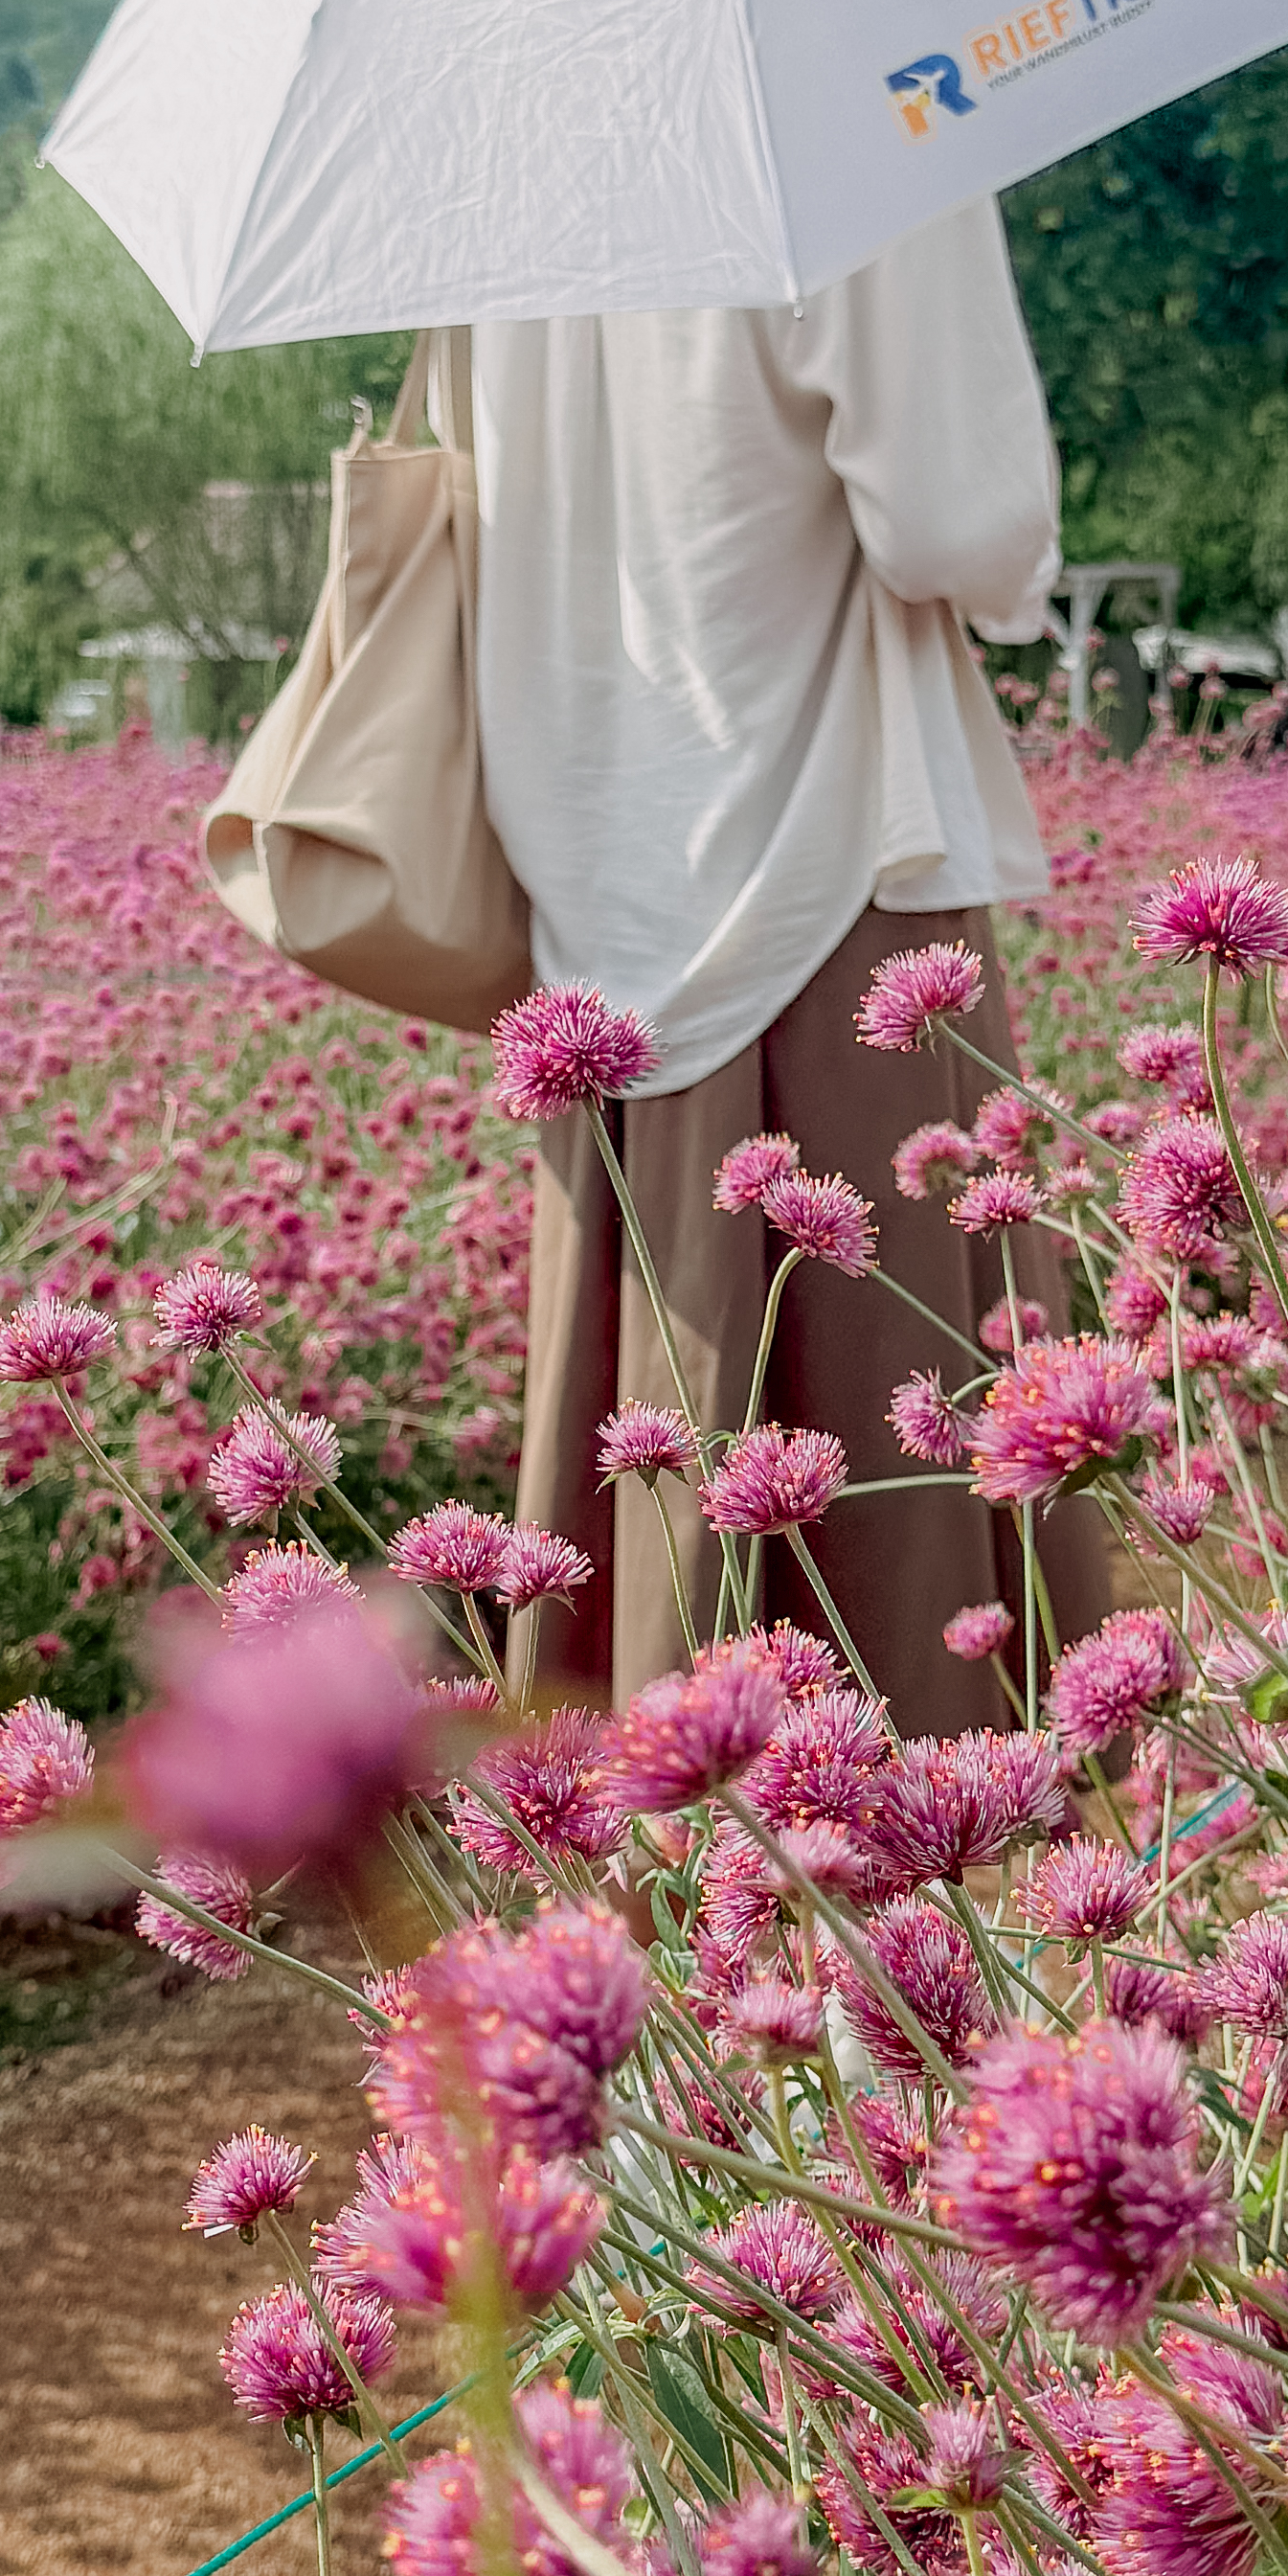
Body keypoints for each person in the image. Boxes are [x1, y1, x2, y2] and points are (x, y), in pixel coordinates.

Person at [474, 199, 1106, 1741]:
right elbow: (962, 522)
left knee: (654, 1518)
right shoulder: (857, 114)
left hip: (597, 874)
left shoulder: (505, 163)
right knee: (908, 1590)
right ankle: (895, 1947)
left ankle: (678, 1929)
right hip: (826, 861)